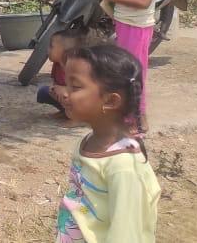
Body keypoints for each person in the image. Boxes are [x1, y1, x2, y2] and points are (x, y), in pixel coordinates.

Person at [57, 44, 159, 242]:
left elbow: (127, 233)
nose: (65, 92)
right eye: (65, 84)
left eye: (75, 87)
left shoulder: (124, 167)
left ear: (111, 101)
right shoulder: (86, 142)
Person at [102, 0, 163, 125]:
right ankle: (129, 111)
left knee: (134, 72)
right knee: (125, 69)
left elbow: (144, 1)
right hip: (125, 25)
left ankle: (138, 115)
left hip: (137, 29)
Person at [37, 29, 87, 114]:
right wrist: (54, 89)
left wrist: (66, 90)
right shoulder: (57, 65)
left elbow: (86, 91)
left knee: (68, 95)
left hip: (82, 100)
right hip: (67, 97)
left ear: (65, 51)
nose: (48, 49)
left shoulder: (77, 68)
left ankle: (77, 118)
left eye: (51, 46)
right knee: (43, 92)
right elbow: (56, 83)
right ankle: (66, 112)